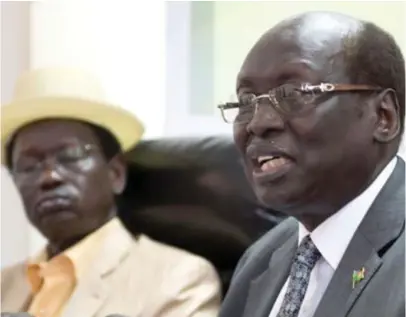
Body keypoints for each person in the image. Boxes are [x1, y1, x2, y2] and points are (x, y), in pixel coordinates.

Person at [217, 11, 405, 317]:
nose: (258, 122)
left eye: (293, 93)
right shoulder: (261, 259)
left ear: (383, 117)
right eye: (247, 101)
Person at [1, 68, 221, 317]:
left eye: (70, 156)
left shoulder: (178, 279)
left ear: (115, 173)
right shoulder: (4, 285)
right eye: (28, 166)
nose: (49, 177)